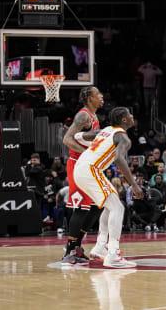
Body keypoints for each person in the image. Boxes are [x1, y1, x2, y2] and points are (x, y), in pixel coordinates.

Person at [73, 107, 143, 268]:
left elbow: (82, 136)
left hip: (82, 168)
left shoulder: (106, 130)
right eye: (129, 115)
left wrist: (75, 135)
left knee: (110, 205)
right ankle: (113, 254)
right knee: (118, 208)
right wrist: (133, 185)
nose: (132, 116)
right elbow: (119, 159)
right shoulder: (123, 137)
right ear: (124, 120)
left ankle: (100, 247)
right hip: (91, 170)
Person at [60, 86, 104, 265]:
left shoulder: (94, 116)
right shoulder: (83, 115)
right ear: (89, 98)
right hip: (78, 165)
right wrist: (87, 154)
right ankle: (70, 250)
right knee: (81, 208)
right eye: (98, 94)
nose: (101, 96)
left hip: (89, 166)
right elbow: (67, 139)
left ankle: (77, 245)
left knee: (98, 205)